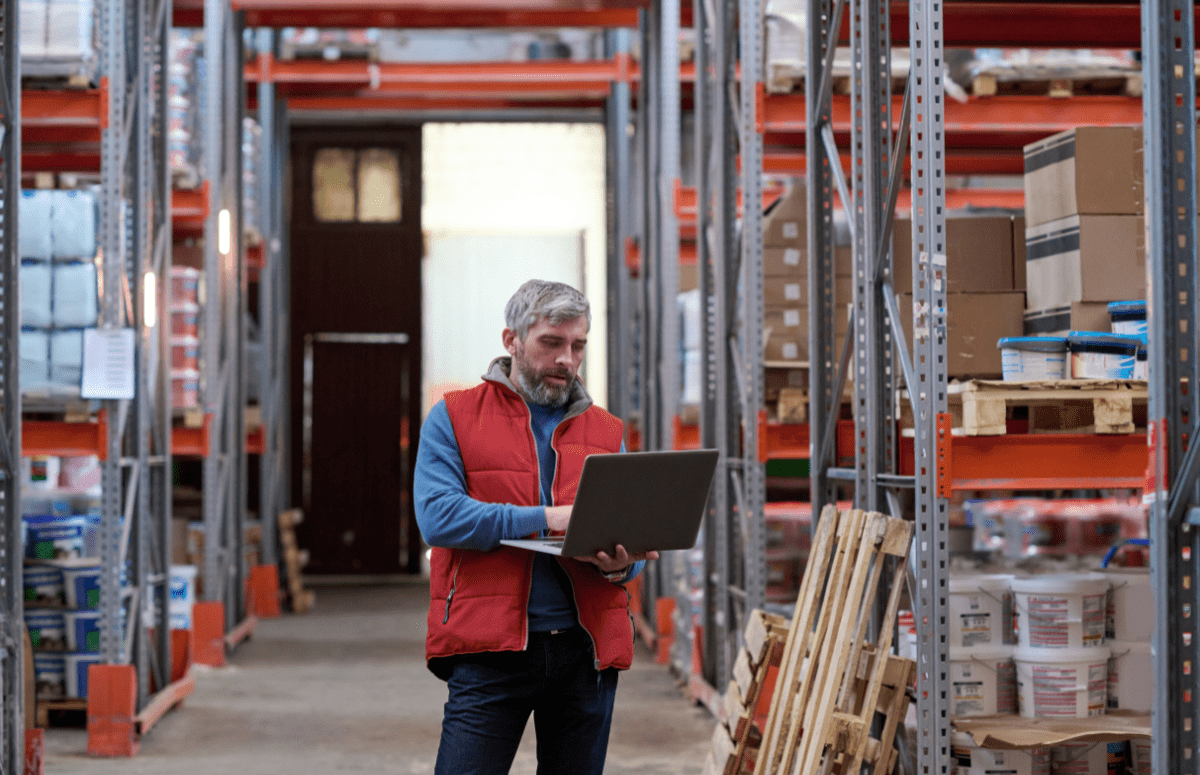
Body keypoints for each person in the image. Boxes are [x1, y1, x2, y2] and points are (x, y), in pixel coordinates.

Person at [414, 279, 658, 775]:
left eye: (577, 345)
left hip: (584, 650)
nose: (567, 359)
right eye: (551, 343)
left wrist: (620, 567)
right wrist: (548, 519)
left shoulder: (606, 432)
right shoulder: (453, 419)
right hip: (490, 650)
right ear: (512, 341)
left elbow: (627, 552)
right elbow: (437, 516)